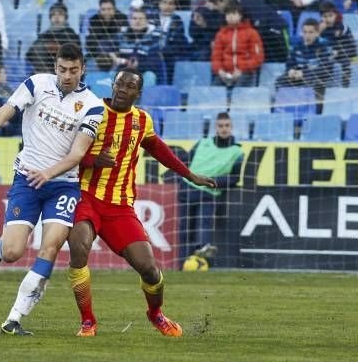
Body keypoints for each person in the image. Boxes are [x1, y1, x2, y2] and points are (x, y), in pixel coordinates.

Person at [25, 68, 216, 337]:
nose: (122, 89)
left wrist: (190, 175)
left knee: (149, 269)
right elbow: (68, 154)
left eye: (129, 86)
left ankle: (156, 314)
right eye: (119, 84)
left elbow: (159, 150)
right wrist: (92, 161)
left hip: (120, 207)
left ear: (138, 93)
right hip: (84, 197)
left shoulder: (142, 121)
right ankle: (88, 321)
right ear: (112, 85)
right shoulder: (93, 112)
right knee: (79, 250)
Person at [0, 43, 104, 336]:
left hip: (63, 186)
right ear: (55, 65)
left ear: (83, 69)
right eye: (62, 69)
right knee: (12, 252)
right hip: (27, 180)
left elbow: (78, 154)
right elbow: (2, 114)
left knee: (51, 247)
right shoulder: (36, 84)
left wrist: (48, 173)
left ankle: (14, 319)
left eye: (74, 70)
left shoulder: (93, 105)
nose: (67, 75)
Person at [178, 112, 243, 264]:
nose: (224, 129)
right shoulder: (202, 143)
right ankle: (183, 264)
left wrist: (213, 181)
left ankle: (204, 258)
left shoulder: (237, 151)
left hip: (210, 192)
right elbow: (184, 162)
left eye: (227, 125)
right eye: (221, 126)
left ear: (231, 127)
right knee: (185, 229)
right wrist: (183, 181)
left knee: (204, 223)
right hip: (188, 188)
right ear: (216, 127)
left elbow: (235, 178)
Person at [211, 1, 264, 89]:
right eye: (228, 14)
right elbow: (216, 57)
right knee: (213, 92)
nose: (230, 17)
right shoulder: (221, 34)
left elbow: (257, 58)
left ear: (241, 15)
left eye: (234, 13)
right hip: (225, 73)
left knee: (239, 94)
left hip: (246, 72)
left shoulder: (252, 33)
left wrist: (241, 69)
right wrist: (220, 71)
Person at [275, 18, 332, 97]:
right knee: (280, 81)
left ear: (317, 33)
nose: (307, 35)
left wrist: (304, 73)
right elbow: (290, 62)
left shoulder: (324, 46)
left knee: (311, 83)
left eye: (310, 32)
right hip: (298, 78)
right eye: (305, 32)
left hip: (316, 80)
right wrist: (290, 70)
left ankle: (313, 108)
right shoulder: (298, 46)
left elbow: (327, 69)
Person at [318, 1, 356, 87]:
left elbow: (347, 43)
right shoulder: (320, 27)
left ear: (335, 15)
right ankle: (323, 82)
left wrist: (336, 51)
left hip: (347, 50)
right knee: (324, 59)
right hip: (330, 52)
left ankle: (345, 84)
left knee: (345, 60)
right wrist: (319, 31)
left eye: (330, 16)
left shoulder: (341, 26)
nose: (327, 19)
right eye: (324, 16)